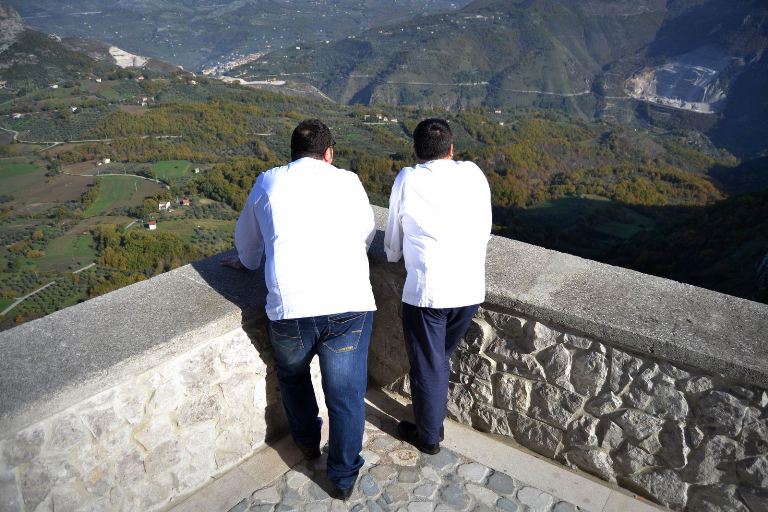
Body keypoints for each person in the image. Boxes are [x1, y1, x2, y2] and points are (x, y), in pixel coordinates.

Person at [223, 119, 376, 500]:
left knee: (293, 379)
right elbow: (366, 233)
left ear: (292, 153)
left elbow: (248, 240)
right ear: (329, 153)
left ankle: (308, 444)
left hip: (290, 304)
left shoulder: (269, 182)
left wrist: (247, 262)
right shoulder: (349, 181)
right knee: (346, 394)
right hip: (348, 302)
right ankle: (343, 478)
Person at [384, 118, 491, 454]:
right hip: (470, 289)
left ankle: (428, 437)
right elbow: (485, 225)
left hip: (428, 293)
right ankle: (430, 420)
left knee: (429, 365)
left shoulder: (408, 178)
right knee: (437, 360)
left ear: (415, 151)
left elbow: (392, 241)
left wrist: (393, 254)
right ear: (452, 149)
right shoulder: (473, 173)